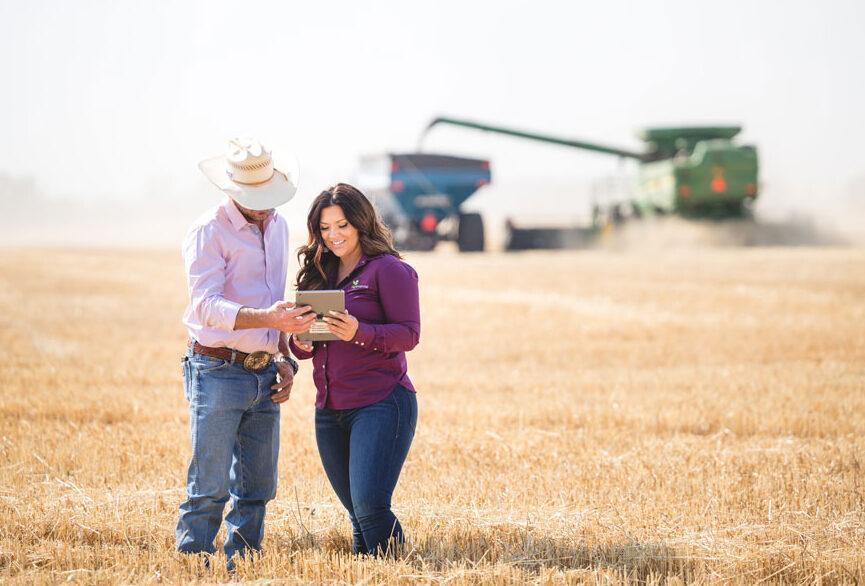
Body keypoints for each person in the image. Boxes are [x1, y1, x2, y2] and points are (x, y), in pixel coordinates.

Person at [176, 138, 315, 565]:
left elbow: (274, 299)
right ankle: (193, 565)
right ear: (232, 189)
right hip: (215, 369)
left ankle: (245, 566)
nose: (265, 207)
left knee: (258, 487)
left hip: (264, 372)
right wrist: (269, 320)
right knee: (210, 486)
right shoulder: (207, 231)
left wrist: (283, 358)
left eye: (269, 198)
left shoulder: (278, 226)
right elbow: (205, 306)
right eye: (256, 199)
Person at [289, 183, 420, 556]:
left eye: (342, 225)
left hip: (381, 404)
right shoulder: (318, 272)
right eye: (325, 228)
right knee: (357, 514)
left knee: (370, 508)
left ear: (361, 223)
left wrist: (359, 332)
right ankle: (371, 573)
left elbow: (409, 334)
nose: (334, 236)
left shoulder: (389, 270)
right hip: (329, 409)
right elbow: (301, 344)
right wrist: (301, 342)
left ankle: (394, 575)